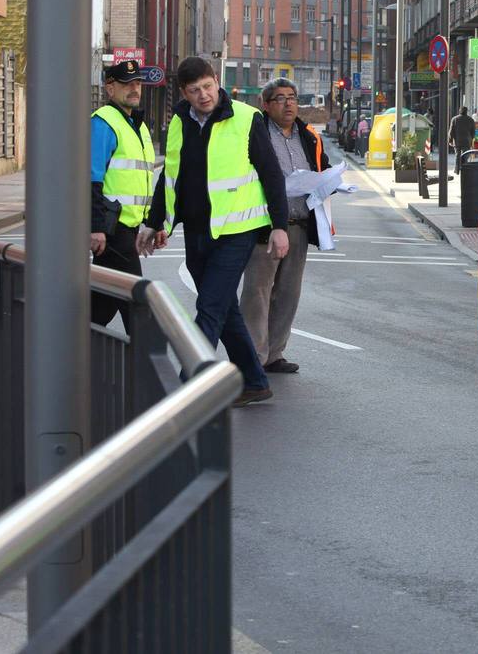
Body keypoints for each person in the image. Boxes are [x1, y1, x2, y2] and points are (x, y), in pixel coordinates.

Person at [143, 56, 291, 407]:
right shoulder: (179, 121)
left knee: (209, 307)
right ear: (184, 92)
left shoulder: (246, 117)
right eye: (195, 91)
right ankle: (254, 381)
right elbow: (170, 177)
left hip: (237, 231)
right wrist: (156, 221)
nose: (204, 95)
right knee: (225, 308)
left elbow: (272, 175)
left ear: (216, 80)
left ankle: (184, 392)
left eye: (208, 87)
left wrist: (279, 227)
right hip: (197, 230)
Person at [241, 78, 331, 375]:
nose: (288, 103)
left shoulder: (308, 136)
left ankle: (274, 354)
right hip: (265, 225)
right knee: (258, 291)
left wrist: (330, 182)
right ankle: (253, 354)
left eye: (292, 97)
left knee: (289, 293)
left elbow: (323, 167)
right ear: (265, 105)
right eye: (280, 98)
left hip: (300, 223)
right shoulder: (256, 133)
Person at [89, 60, 157, 326]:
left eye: (137, 83)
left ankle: (70, 357)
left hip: (127, 228)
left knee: (101, 307)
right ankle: (145, 363)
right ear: (110, 88)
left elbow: (141, 180)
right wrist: (96, 227)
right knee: (136, 304)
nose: (134, 89)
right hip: (112, 230)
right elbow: (92, 178)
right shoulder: (104, 123)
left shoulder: (136, 125)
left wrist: (153, 223)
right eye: (126, 84)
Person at [449, 106, 475, 173]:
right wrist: (471, 139)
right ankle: (464, 169)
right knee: (465, 155)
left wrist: (450, 140)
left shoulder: (454, 119)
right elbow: (473, 131)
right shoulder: (470, 120)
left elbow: (451, 130)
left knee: (457, 155)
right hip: (467, 141)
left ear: (459, 111)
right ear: (467, 111)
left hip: (457, 140)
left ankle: (456, 169)